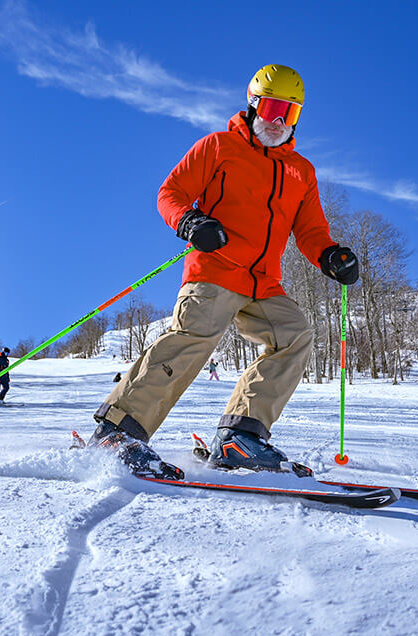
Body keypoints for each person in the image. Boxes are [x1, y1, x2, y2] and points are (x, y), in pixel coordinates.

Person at [86, 64, 360, 474]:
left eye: (290, 112)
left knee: (295, 334)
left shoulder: (301, 171)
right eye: (270, 108)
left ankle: (240, 435)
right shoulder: (219, 146)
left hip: (264, 283)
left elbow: (311, 230)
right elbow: (171, 193)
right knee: (193, 337)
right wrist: (190, 222)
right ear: (252, 105)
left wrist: (330, 256)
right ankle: (118, 430)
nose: (278, 121)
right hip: (215, 268)